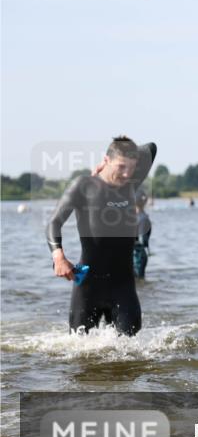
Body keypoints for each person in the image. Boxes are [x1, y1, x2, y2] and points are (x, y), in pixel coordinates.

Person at [47, 136, 157, 335]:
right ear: (106, 160)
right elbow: (54, 223)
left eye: (131, 168)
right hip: (89, 286)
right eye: (121, 167)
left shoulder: (131, 181)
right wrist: (58, 256)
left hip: (123, 286)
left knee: (133, 353)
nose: (126, 173)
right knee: (78, 352)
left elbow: (152, 148)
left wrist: (120, 160)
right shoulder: (84, 185)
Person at [133, 191, 152, 279]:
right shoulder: (143, 218)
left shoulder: (134, 217)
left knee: (138, 282)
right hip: (138, 255)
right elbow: (143, 241)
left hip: (136, 256)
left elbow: (141, 240)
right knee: (138, 281)